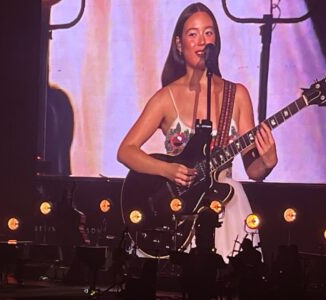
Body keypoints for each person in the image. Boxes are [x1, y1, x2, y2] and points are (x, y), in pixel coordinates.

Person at [117, 2, 277, 262]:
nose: (202, 41)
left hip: (226, 206)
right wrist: (167, 170)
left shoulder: (237, 96)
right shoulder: (165, 98)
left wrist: (267, 162)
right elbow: (126, 151)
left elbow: (253, 170)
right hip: (178, 211)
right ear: (179, 44)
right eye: (193, 34)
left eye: (209, 32)